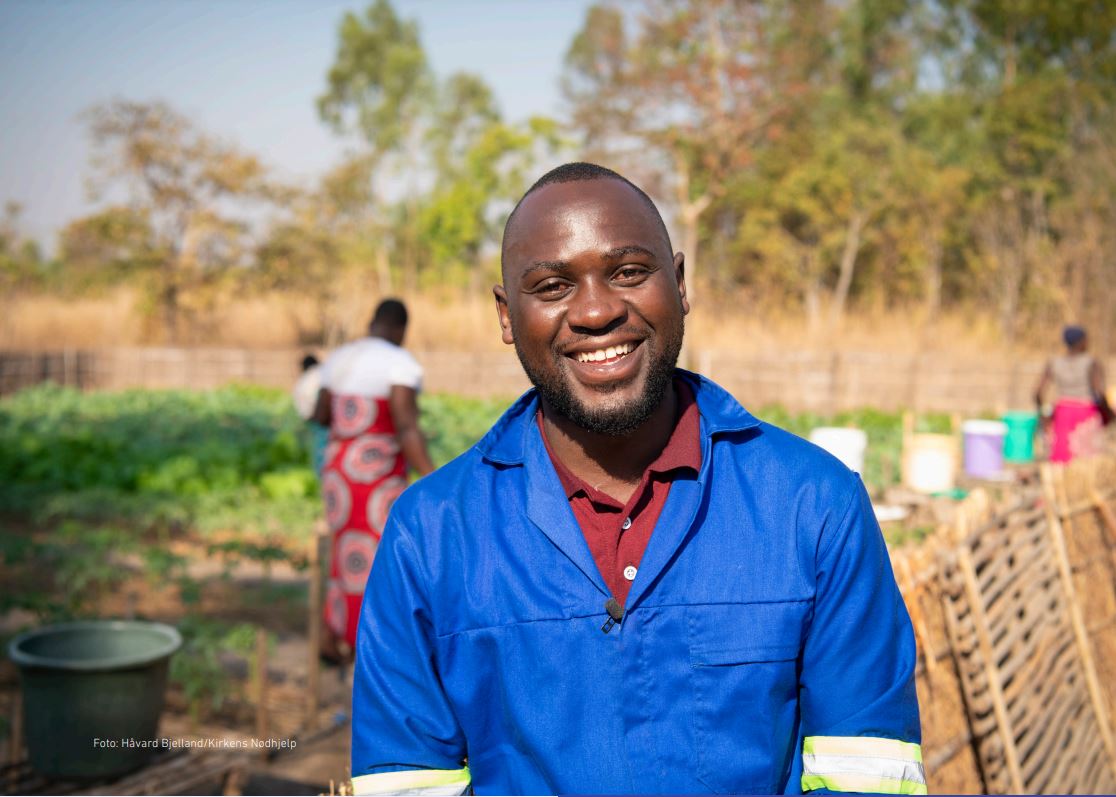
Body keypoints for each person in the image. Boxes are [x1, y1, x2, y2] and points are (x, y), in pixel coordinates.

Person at [350, 164, 923, 795]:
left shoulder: (813, 506)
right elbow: (406, 780)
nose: (595, 311)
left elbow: (866, 774)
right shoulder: (430, 535)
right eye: (551, 285)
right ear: (507, 314)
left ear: (678, 284)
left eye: (628, 273)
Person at [312, 299, 435, 664]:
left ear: (372, 321)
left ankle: (336, 631)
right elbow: (406, 426)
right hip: (373, 478)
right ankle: (370, 642)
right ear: (400, 329)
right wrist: (432, 480)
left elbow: (320, 415)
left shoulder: (340, 358)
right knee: (380, 558)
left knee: (345, 555)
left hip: (337, 475)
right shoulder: (399, 363)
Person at [1034, 325, 1110, 463]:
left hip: (1062, 414)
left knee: (1062, 458)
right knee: (1086, 460)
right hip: (1085, 414)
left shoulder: (1054, 362)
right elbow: (1099, 391)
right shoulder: (1091, 363)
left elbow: (1037, 392)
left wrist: (1043, 413)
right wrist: (1109, 412)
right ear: (1081, 341)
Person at [292, 353, 329, 477]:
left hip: (315, 422)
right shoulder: (324, 373)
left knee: (320, 455)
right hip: (328, 420)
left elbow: (304, 411)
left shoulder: (303, 382)